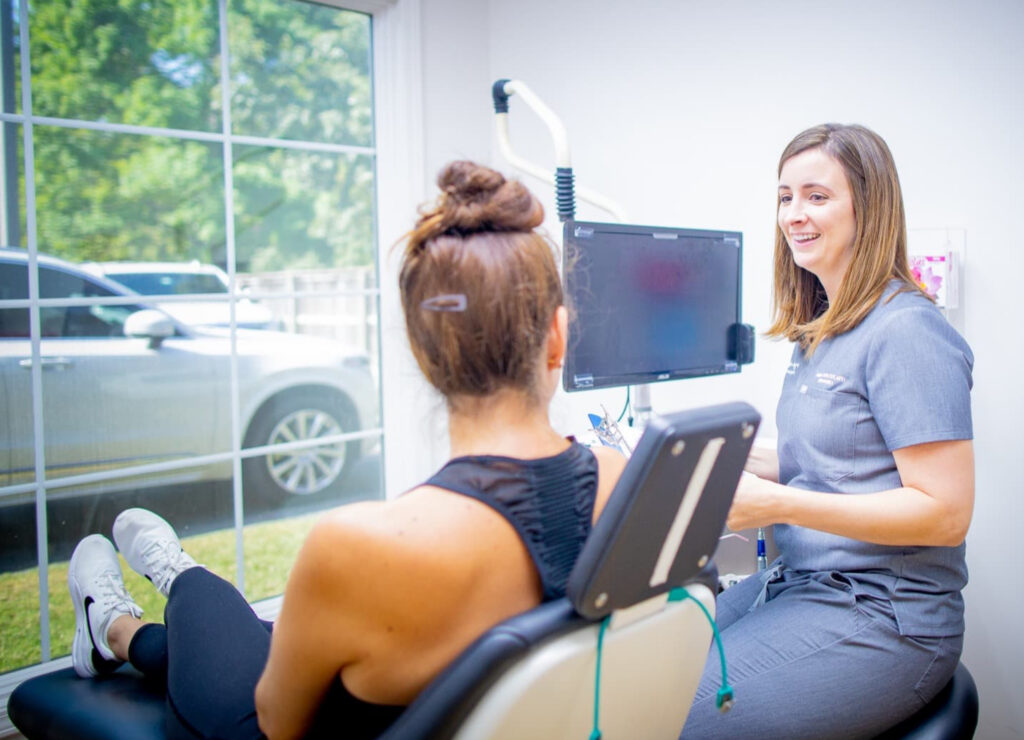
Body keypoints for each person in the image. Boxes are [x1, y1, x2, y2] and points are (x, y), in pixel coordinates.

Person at [66, 160, 626, 740]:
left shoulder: (359, 549)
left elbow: (279, 722)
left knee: (207, 598)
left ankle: (143, 605)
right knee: (263, 634)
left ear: (422, 349)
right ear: (559, 337)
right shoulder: (622, 483)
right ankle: (124, 631)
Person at [681, 124, 974, 739]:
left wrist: (779, 502)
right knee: (644, 672)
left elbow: (944, 513)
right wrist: (710, 464)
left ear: (868, 208)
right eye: (785, 197)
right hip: (803, 582)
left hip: (886, 613)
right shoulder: (825, 328)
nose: (794, 214)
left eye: (816, 196)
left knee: (672, 715)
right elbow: (840, 460)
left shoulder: (907, 331)